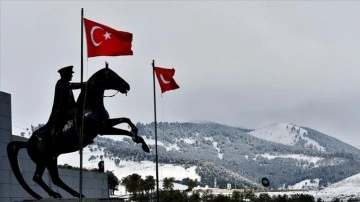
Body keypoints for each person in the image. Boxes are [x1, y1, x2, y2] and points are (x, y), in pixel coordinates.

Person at [47, 65, 85, 136]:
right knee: (77, 114)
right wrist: (85, 84)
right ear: (66, 75)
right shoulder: (61, 83)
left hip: (68, 110)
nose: (72, 76)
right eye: (70, 74)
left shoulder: (65, 83)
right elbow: (71, 85)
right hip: (62, 112)